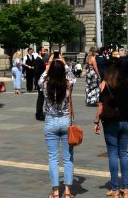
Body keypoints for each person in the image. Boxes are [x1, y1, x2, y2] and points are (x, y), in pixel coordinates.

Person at [94, 62, 128, 198]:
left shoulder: (106, 85)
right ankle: (126, 188)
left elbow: (101, 105)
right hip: (125, 122)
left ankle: (115, 189)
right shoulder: (127, 84)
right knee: (123, 154)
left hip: (111, 123)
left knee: (112, 153)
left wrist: (96, 121)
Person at [39, 58, 76, 198]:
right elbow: (72, 76)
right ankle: (67, 192)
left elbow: (42, 76)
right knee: (68, 158)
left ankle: (55, 192)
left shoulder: (44, 83)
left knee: (53, 158)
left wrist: (49, 65)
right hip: (66, 121)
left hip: (50, 120)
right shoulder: (68, 83)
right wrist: (64, 64)